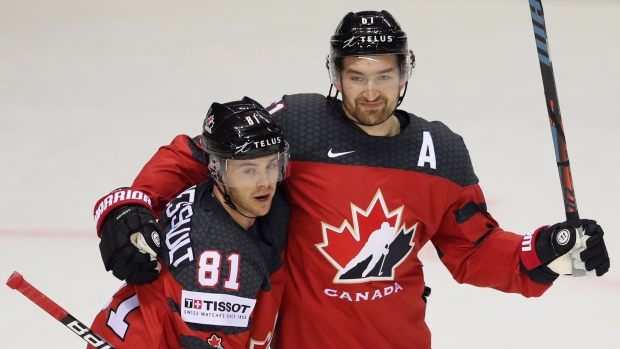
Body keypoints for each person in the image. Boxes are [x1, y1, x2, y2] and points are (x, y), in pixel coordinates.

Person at [92, 11, 610, 349]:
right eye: (356, 76)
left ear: (406, 74)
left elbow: (472, 250)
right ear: (335, 74)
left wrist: (543, 250)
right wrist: (130, 205)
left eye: (384, 76)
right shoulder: (298, 123)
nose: (369, 92)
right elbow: (202, 153)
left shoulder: (440, 152)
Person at [89, 97, 291, 349]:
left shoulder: (201, 194)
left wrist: (124, 202)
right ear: (217, 170)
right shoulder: (220, 266)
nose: (265, 182)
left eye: (272, 166)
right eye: (248, 170)